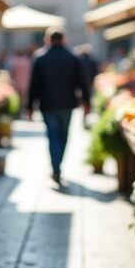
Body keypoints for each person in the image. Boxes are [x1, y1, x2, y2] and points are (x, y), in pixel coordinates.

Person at [27, 27, 91, 185]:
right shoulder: (72, 58)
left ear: (47, 39)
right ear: (64, 39)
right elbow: (82, 82)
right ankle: (58, 166)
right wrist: (87, 102)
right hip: (67, 104)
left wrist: (29, 106)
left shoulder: (40, 58)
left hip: (47, 104)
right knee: (63, 136)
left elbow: (33, 85)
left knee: (52, 137)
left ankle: (56, 168)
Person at [10, 49, 32, 115]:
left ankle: (19, 111)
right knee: (24, 98)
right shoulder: (27, 61)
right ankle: (24, 110)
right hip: (26, 82)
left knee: (18, 98)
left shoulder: (15, 61)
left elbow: (12, 72)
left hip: (17, 82)